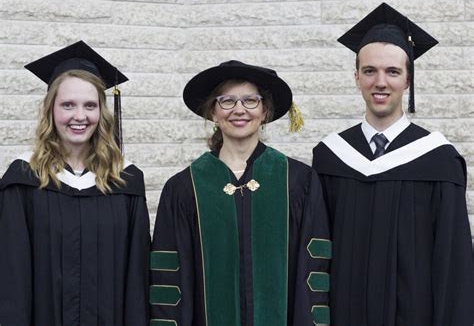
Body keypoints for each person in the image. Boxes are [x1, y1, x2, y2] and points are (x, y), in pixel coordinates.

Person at [312, 3, 474, 326]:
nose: (380, 82)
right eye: (370, 71)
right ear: (356, 77)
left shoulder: (439, 161)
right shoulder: (330, 158)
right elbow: (315, 258)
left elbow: (454, 270)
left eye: (393, 72)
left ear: (408, 81)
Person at [149, 60, 331, 326]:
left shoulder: (298, 181)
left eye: (250, 100)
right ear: (213, 112)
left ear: (265, 111)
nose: (239, 110)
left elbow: (313, 274)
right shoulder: (185, 188)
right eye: (227, 101)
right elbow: (169, 283)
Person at [0, 41, 150, 325]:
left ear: (102, 112)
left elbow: (137, 282)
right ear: (50, 110)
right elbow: (11, 280)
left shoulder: (126, 181)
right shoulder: (23, 180)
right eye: (68, 104)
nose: (79, 116)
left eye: (90, 105)